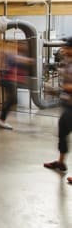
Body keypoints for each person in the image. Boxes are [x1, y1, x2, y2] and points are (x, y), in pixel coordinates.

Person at [44, 37, 72, 180]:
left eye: (67, 47)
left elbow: (68, 86)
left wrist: (67, 87)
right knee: (62, 131)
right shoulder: (67, 63)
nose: (65, 50)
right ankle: (61, 162)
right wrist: (55, 90)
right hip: (68, 104)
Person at [0, 45, 33, 130]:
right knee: (12, 100)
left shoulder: (19, 56)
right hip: (9, 80)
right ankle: (1, 121)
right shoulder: (14, 56)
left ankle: (1, 120)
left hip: (12, 81)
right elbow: (15, 58)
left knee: (13, 100)